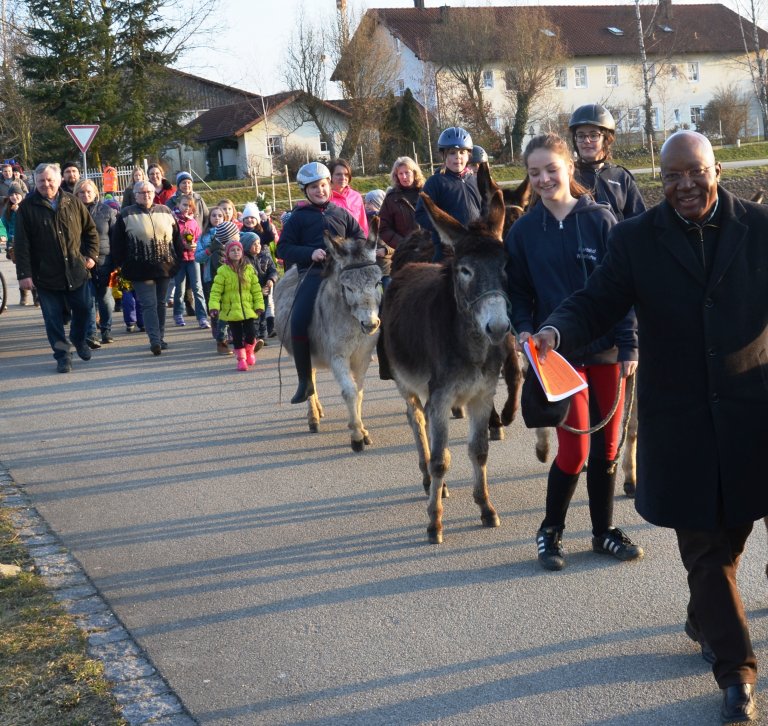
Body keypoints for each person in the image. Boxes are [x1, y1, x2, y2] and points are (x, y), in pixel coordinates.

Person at [530, 130, 765, 723]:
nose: (684, 185)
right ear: (659, 180)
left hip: (748, 412)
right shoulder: (637, 238)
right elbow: (596, 299)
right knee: (703, 546)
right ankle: (736, 673)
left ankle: (704, 614)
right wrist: (556, 331)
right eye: (671, 177)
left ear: (717, 170)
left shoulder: (760, 229)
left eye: (695, 172)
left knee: (732, 533)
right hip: (679, 416)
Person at [505, 133, 642, 572]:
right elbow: (519, 292)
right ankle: (550, 531)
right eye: (534, 173)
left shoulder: (601, 220)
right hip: (555, 356)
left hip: (605, 351)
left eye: (551, 169)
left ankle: (603, 532)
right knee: (575, 451)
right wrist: (524, 331)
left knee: (607, 450)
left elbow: (624, 289)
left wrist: (629, 343)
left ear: (568, 167)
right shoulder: (524, 230)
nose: (544, 179)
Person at [277, 161, 365, 403]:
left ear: (330, 185)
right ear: (305, 190)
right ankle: (305, 380)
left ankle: (385, 357)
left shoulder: (341, 213)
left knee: (376, 303)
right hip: (314, 274)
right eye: (314, 187)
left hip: (344, 273)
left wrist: (346, 250)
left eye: (324, 185)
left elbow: (359, 237)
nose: (320, 190)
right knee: (299, 319)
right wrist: (310, 253)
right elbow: (283, 248)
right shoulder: (298, 218)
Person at [13, 163, 99, 373]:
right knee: (53, 321)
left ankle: (78, 340)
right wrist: (24, 274)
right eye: (41, 180)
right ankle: (63, 356)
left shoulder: (73, 202)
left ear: (59, 180)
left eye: (50, 180)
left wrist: (91, 256)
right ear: (35, 182)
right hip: (46, 276)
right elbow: (21, 244)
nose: (46, 184)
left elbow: (91, 231)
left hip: (76, 271)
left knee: (84, 310)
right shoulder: (27, 208)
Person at [111, 179, 183, 355]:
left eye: (149, 192)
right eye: (142, 193)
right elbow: (117, 242)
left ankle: (161, 336)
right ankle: (155, 340)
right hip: (139, 268)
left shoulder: (165, 211)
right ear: (135, 195)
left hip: (164, 266)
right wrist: (120, 264)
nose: (146, 195)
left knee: (160, 303)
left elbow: (176, 239)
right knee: (149, 304)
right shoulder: (126, 214)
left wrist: (178, 259)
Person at [569, 104, 646, 223]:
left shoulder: (621, 177)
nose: (586, 140)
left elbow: (639, 220)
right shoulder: (569, 176)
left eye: (594, 135)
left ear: (606, 139)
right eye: (581, 135)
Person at [415, 126, 481, 261]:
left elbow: (483, 210)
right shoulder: (435, 182)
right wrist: (444, 228)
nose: (458, 157)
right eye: (452, 153)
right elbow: (420, 214)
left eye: (462, 152)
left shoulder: (475, 181)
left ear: (468, 155)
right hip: (447, 251)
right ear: (444, 155)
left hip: (475, 247)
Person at [208, 239, 265, 371]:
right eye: (232, 250)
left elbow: (256, 289)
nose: (236, 252)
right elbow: (216, 291)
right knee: (237, 337)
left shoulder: (249, 269)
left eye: (238, 250)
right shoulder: (223, 271)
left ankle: (250, 351)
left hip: (248, 309)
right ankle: (241, 359)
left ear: (242, 252)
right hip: (232, 311)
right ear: (227, 254)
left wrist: (259, 305)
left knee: (251, 334)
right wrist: (214, 307)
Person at [74, 178, 117, 345]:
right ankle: (91, 334)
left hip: (105, 261)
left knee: (105, 298)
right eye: (81, 192)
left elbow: (114, 236)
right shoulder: (71, 212)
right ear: (76, 194)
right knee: (88, 299)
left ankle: (106, 329)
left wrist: (116, 261)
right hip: (81, 262)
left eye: (88, 192)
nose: (85, 195)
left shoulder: (106, 211)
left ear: (96, 193)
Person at [171, 194, 209, 329]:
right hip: (180, 259)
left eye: (189, 206)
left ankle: (202, 317)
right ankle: (178, 313)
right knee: (180, 289)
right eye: (184, 205)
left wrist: (194, 245)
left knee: (197, 288)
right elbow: (172, 240)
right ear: (178, 205)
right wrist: (182, 246)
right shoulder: (173, 220)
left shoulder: (193, 222)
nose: (186, 208)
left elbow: (199, 239)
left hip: (193, 258)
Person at [378, 156, 425, 251]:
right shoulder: (391, 198)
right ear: (396, 176)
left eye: (407, 172)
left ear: (414, 173)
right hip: (405, 253)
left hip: (430, 250)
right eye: (400, 173)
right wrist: (403, 244)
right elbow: (383, 227)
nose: (404, 177)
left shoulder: (428, 192)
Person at [1, 182, 35, 306]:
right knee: (21, 267)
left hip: (29, 241)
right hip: (14, 243)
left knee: (33, 267)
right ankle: (23, 294)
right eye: (12, 195)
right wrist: (3, 235)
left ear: (22, 195)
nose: (14, 197)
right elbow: (2, 225)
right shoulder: (7, 210)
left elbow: (32, 222)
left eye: (17, 194)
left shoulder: (27, 207)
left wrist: (19, 210)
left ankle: (35, 295)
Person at [242, 230, 278, 343]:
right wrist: (258, 290)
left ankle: (262, 336)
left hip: (265, 290)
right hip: (251, 293)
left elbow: (273, 270)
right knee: (254, 317)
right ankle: (254, 338)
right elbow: (245, 279)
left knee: (263, 315)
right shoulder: (244, 260)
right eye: (254, 244)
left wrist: (271, 279)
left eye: (258, 243)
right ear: (247, 246)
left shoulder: (265, 256)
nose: (258, 246)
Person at [329, 158, 368, 235]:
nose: (343, 177)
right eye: (338, 174)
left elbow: (363, 223)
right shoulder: (325, 198)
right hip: (336, 244)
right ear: (330, 176)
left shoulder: (356, 196)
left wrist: (365, 242)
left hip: (357, 243)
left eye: (346, 174)